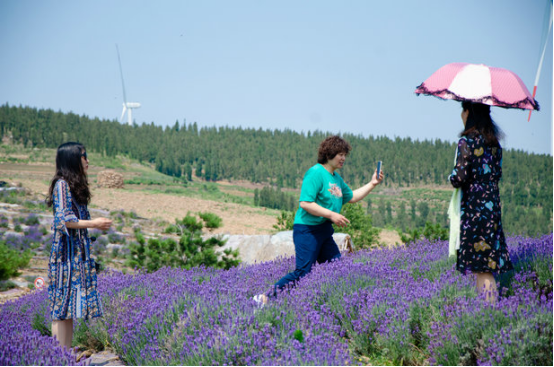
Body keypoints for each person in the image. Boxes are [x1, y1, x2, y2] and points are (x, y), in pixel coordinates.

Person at [254, 135, 383, 305]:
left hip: (323, 231)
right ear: (329, 153)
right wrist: (331, 215)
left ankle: (330, 304)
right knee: (303, 272)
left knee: (337, 268)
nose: (343, 158)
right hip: (307, 230)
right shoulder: (315, 173)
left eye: (345, 155)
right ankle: (264, 299)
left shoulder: (336, 178)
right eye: (340, 154)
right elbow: (306, 203)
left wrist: (372, 183)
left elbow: (351, 196)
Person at [46, 142, 112, 350]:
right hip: (66, 256)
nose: (87, 160)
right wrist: (95, 224)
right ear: (73, 159)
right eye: (84, 156)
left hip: (77, 256)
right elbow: (64, 220)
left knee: (70, 310)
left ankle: (64, 357)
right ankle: (58, 357)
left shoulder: (74, 187)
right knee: (61, 307)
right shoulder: (62, 185)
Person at [449, 102, 513, 303]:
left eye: (463, 110)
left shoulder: (467, 142)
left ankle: (489, 313)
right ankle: (487, 311)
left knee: (481, 267)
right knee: (485, 264)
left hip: (475, 210)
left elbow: (459, 177)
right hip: (492, 208)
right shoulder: (495, 145)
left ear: (469, 113)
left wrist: (451, 175)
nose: (461, 114)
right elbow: (497, 174)